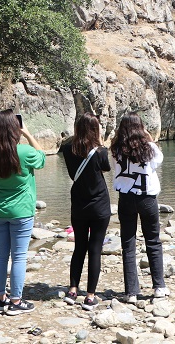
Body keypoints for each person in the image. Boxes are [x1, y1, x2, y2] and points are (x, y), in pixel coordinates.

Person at [0, 109, 45, 316]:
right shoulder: (24, 152)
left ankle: (0, 300)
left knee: (0, 256)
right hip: (21, 212)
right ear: (14, 128)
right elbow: (42, 158)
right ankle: (16, 301)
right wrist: (27, 133)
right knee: (18, 257)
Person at [111, 112, 168, 302]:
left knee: (128, 243)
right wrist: (149, 138)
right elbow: (158, 163)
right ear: (140, 127)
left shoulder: (116, 149)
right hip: (147, 199)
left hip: (125, 198)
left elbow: (115, 168)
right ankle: (159, 287)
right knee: (153, 241)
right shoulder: (149, 148)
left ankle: (131, 292)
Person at [59, 112, 111, 311]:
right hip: (99, 204)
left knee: (79, 247)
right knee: (95, 249)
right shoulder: (100, 152)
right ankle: (90, 296)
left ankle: (73, 290)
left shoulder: (66, 149)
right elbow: (105, 169)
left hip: (78, 204)